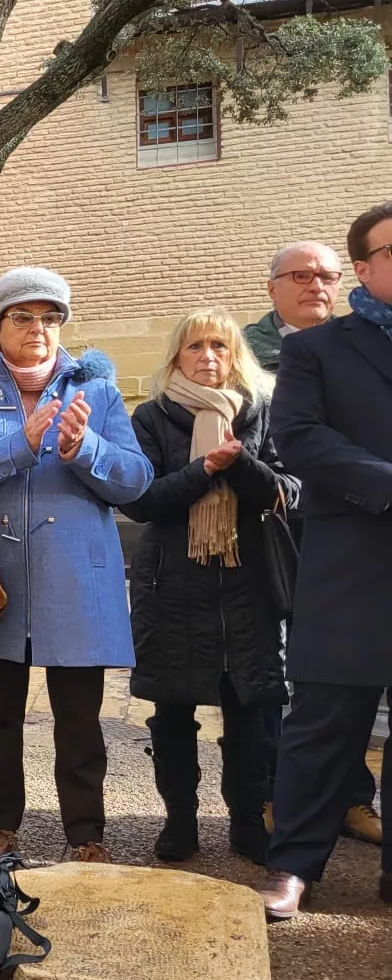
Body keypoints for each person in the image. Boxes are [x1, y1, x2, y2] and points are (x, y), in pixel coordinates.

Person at [0, 268, 152, 864]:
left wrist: (88, 450)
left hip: (77, 581)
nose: (39, 330)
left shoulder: (97, 395)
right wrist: (18, 445)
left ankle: (86, 836)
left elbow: (136, 483)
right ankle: (1, 829)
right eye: (23, 318)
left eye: (51, 318)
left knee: (79, 719)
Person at [260, 201, 392, 918]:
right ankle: (293, 866)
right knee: (326, 716)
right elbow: (301, 439)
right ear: (365, 271)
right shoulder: (318, 349)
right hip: (353, 553)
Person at [122, 312, 293, 864]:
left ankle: (246, 821)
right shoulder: (150, 417)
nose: (208, 356)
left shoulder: (260, 413)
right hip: (172, 585)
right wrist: (202, 471)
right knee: (172, 714)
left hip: (247, 585)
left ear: (235, 354)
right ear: (177, 356)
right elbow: (140, 500)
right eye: (195, 346)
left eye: (219, 345)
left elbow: (288, 488)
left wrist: (239, 465)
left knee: (250, 713)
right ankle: (179, 822)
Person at [245, 241, 343, 372]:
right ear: (272, 290)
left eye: (327, 277)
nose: (317, 287)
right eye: (301, 276)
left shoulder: (364, 344)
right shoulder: (237, 350)